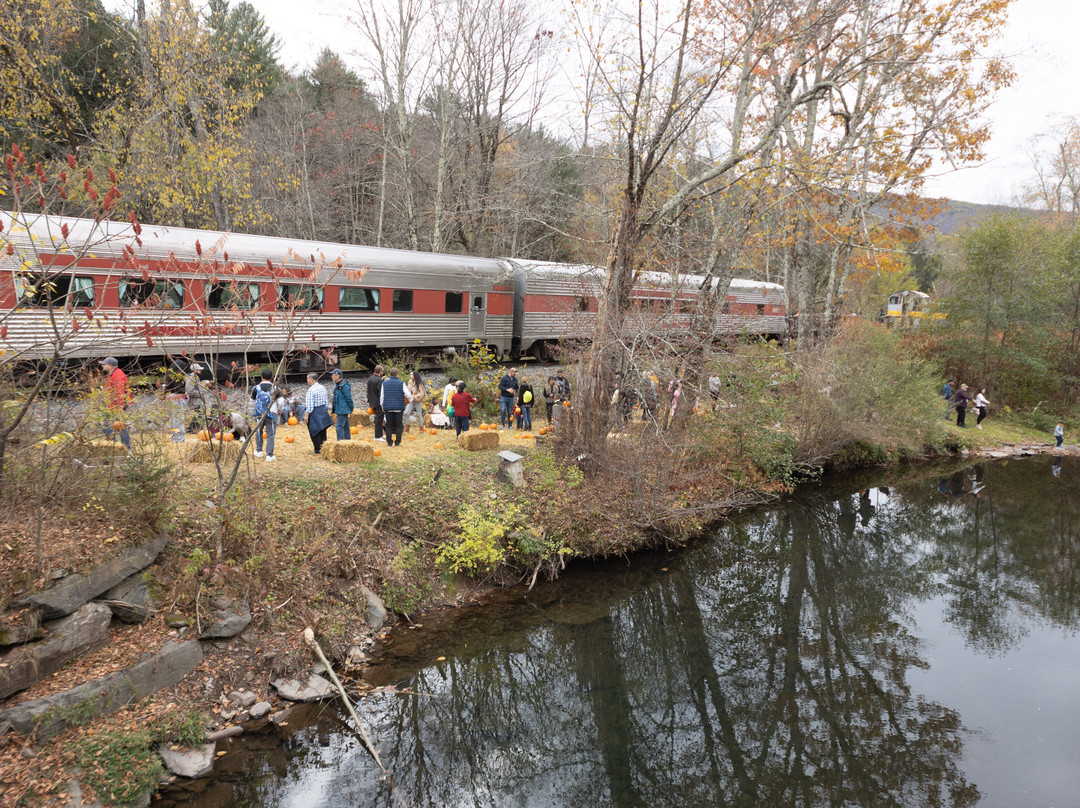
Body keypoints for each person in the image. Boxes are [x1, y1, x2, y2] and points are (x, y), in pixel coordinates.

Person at [99, 357, 132, 450]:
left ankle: (126, 448)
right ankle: (114, 446)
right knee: (109, 426)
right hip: (111, 406)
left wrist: (120, 409)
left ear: (110, 366)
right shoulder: (111, 374)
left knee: (119, 427)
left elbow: (120, 393)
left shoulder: (118, 375)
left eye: (104, 364)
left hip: (117, 407)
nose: (102, 365)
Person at [380, 367, 411, 446]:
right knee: (399, 425)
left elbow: (382, 397)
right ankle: (397, 442)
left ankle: (389, 442)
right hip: (398, 407)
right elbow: (407, 394)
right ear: (397, 374)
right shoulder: (401, 383)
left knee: (388, 425)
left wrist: (382, 406)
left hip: (388, 408)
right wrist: (409, 401)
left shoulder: (384, 383)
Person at [250, 369, 277, 457]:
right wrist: (279, 410)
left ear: (261, 377)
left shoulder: (256, 388)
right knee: (270, 434)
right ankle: (269, 455)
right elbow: (281, 401)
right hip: (271, 413)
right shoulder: (275, 388)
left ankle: (259, 451)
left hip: (259, 413)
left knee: (258, 432)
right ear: (272, 377)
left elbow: (251, 402)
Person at [303, 373, 332, 454]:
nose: (307, 380)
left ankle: (317, 450)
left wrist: (307, 414)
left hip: (314, 411)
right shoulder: (322, 388)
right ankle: (324, 448)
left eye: (307, 379)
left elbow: (310, 405)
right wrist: (324, 410)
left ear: (312, 379)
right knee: (323, 430)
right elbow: (327, 401)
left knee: (314, 431)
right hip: (323, 410)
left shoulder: (311, 390)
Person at [331, 369, 354, 441]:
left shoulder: (343, 385)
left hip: (343, 409)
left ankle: (341, 443)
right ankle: (347, 441)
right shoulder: (338, 385)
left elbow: (348, 398)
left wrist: (351, 407)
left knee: (339, 426)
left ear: (338, 376)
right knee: (345, 426)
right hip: (340, 409)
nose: (331, 377)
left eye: (333, 375)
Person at [367, 365, 385, 441]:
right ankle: (378, 436)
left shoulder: (370, 379)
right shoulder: (379, 380)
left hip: (372, 401)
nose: (383, 372)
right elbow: (381, 392)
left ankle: (379, 434)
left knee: (377, 418)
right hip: (378, 402)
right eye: (382, 371)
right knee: (379, 419)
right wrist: (382, 403)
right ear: (380, 371)